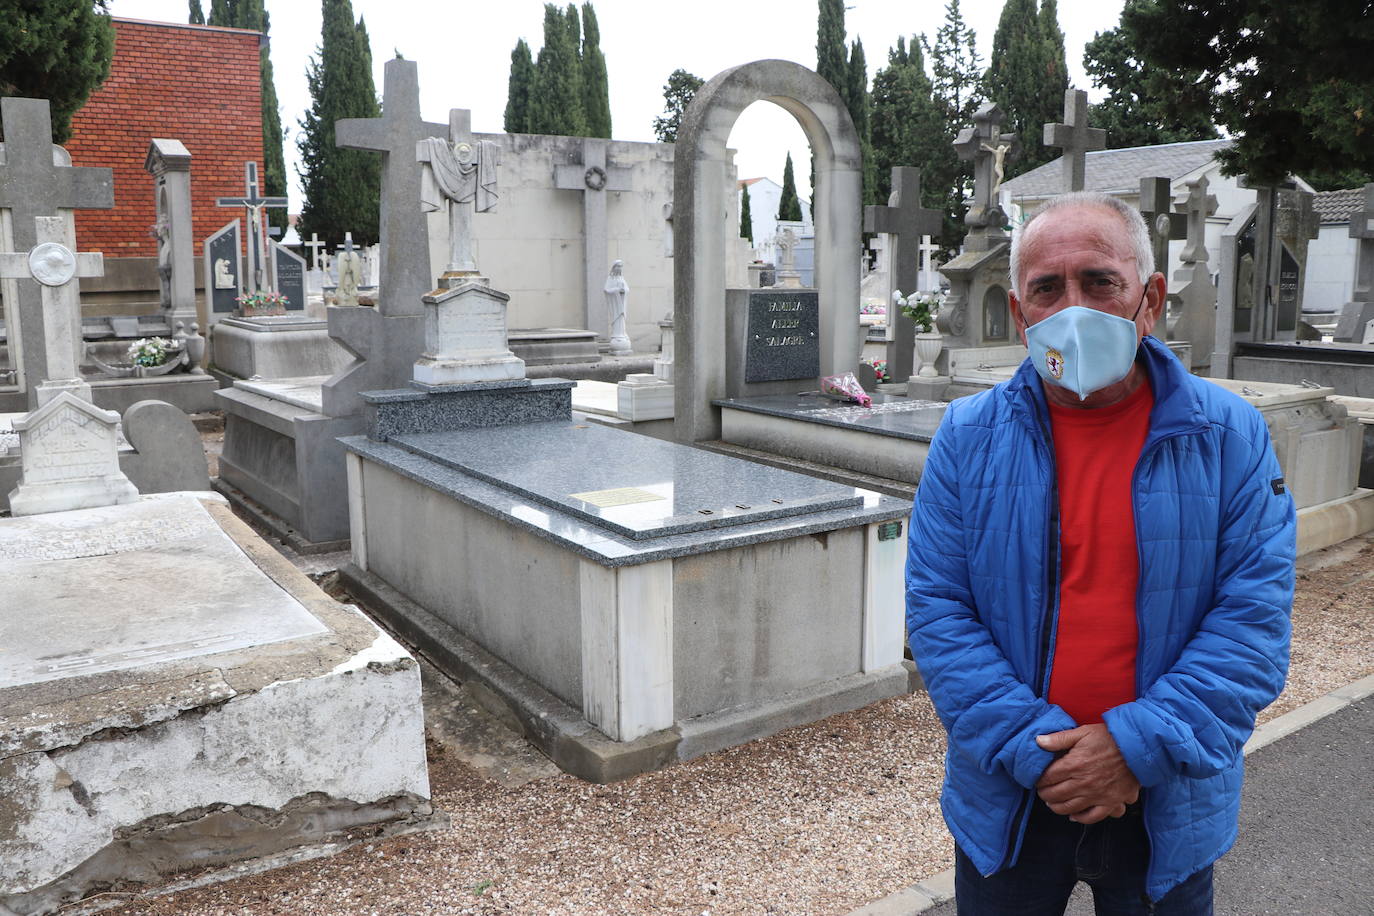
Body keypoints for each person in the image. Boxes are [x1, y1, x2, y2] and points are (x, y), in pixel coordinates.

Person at [906, 191, 1295, 914]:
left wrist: (1132, 749)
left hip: (1164, 797)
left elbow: (1253, 621)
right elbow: (938, 611)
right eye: (1047, 289)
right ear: (1021, 315)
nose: (1072, 309)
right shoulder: (966, 436)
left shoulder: (1230, 436)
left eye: (1099, 282)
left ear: (1149, 300)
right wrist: (1037, 750)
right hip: (1011, 795)